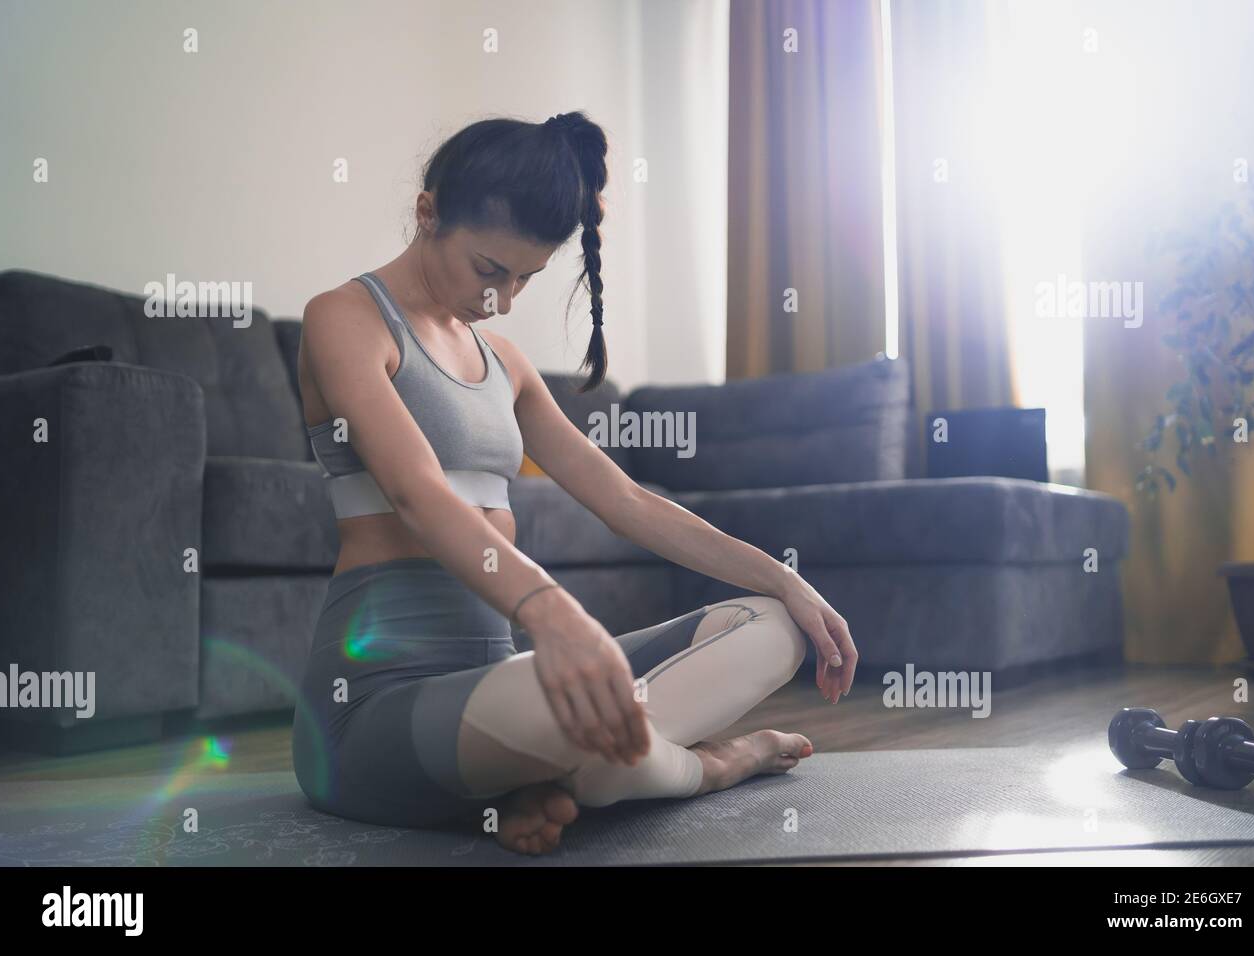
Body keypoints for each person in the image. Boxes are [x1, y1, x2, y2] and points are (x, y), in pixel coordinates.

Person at [291, 111, 858, 856]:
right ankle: (705, 766)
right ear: (428, 212)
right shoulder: (345, 318)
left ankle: (569, 778)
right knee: (567, 710)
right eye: (490, 270)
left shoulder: (505, 363)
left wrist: (788, 583)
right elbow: (418, 496)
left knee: (772, 627)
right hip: (373, 707)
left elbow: (623, 501)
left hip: (502, 689)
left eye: (526, 278)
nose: (504, 300)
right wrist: (556, 616)